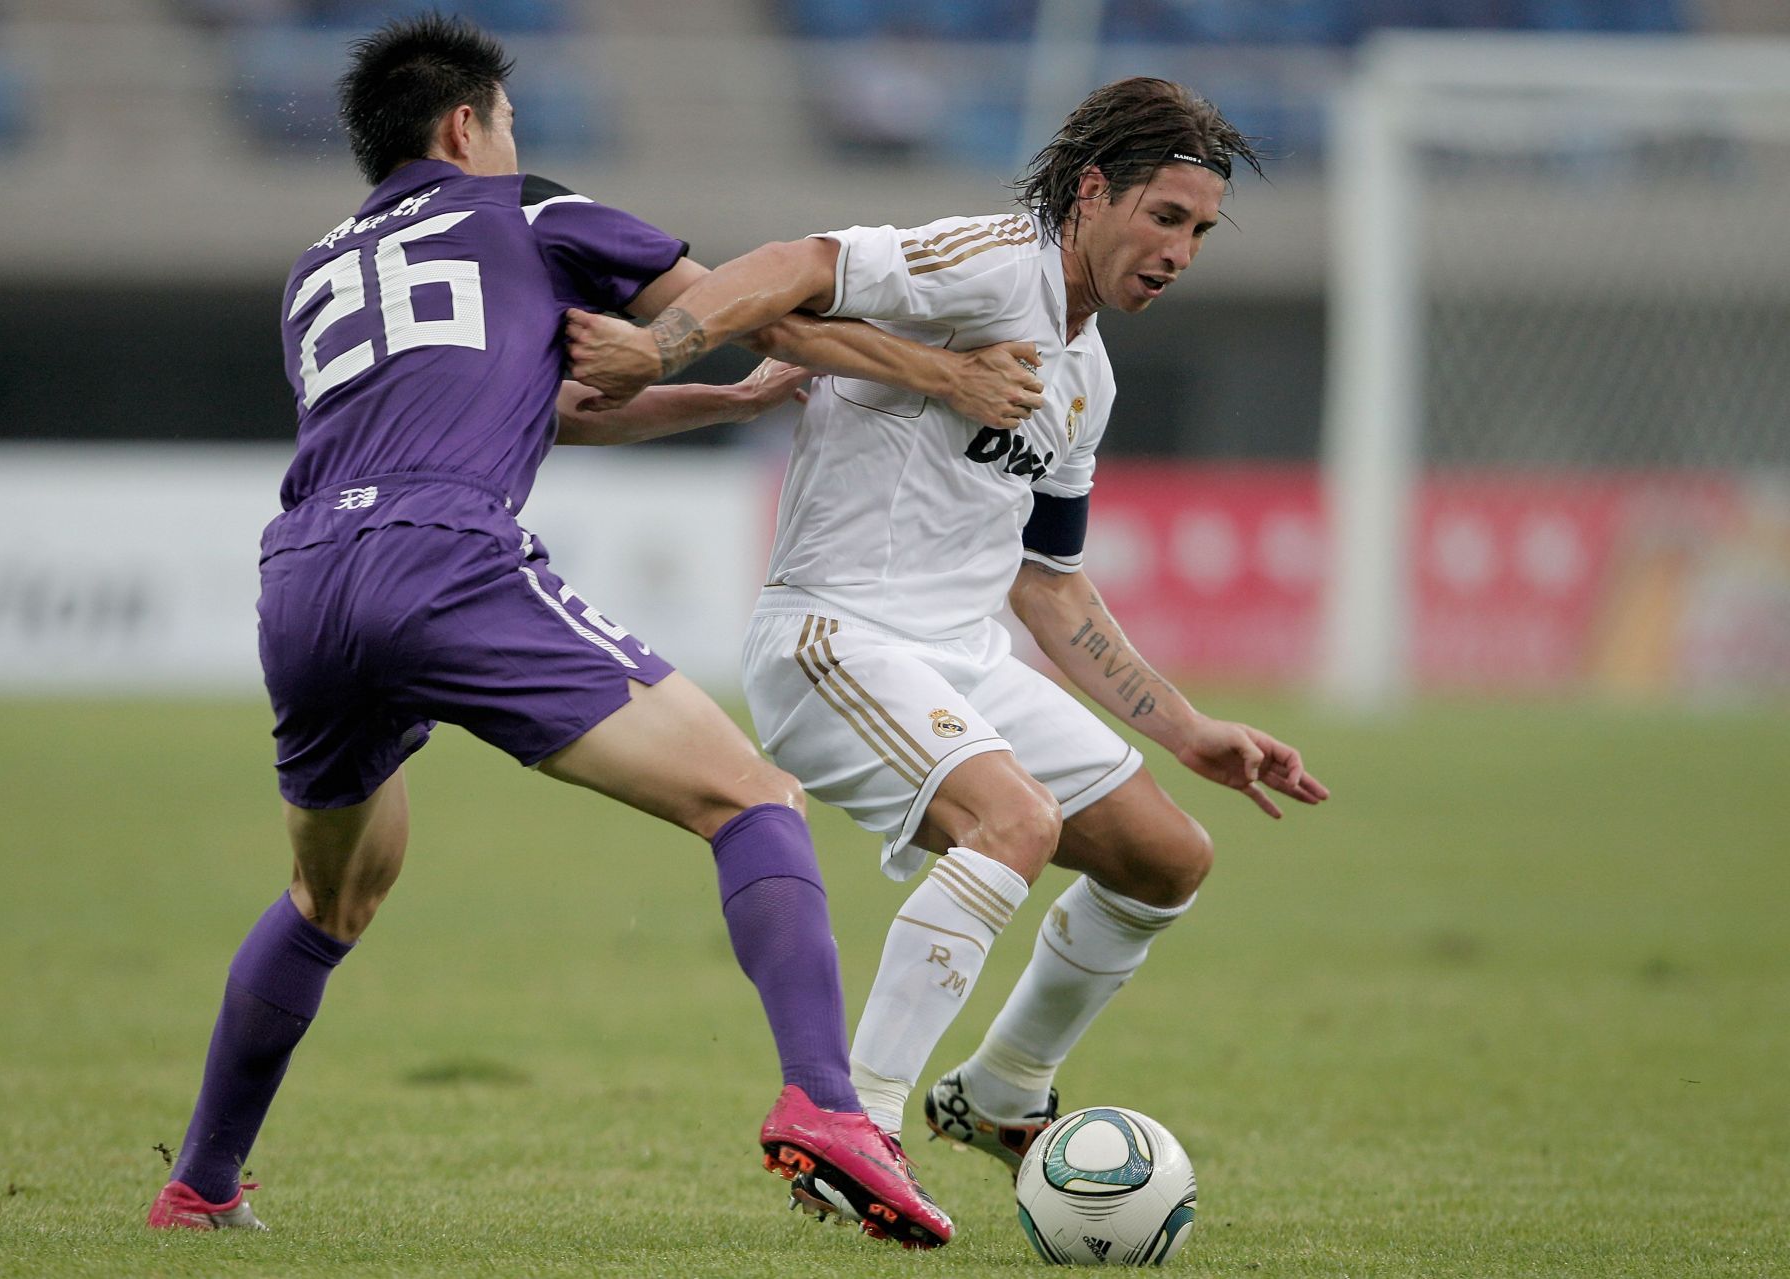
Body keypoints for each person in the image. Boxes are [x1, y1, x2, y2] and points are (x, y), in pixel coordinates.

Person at [145, 13, 1048, 1249]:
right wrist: (943, 374)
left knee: (329, 892)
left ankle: (199, 1185)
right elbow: (759, 308)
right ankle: (830, 1107)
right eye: (509, 123)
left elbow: (545, 404)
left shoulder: (319, 272)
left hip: (301, 578)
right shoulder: (529, 214)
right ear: (465, 124)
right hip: (444, 558)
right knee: (752, 798)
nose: (518, 143)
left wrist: (721, 406)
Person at [566, 76, 1331, 1223]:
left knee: (1168, 859)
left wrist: (1188, 729)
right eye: (1164, 217)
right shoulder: (991, 261)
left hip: (963, 654)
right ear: (1090, 194)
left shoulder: (1089, 376)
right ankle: (857, 1125)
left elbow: (1049, 581)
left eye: (1200, 233)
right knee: (1012, 821)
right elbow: (798, 263)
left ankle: (1002, 1089)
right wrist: (663, 343)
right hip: (834, 636)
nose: (1180, 251)